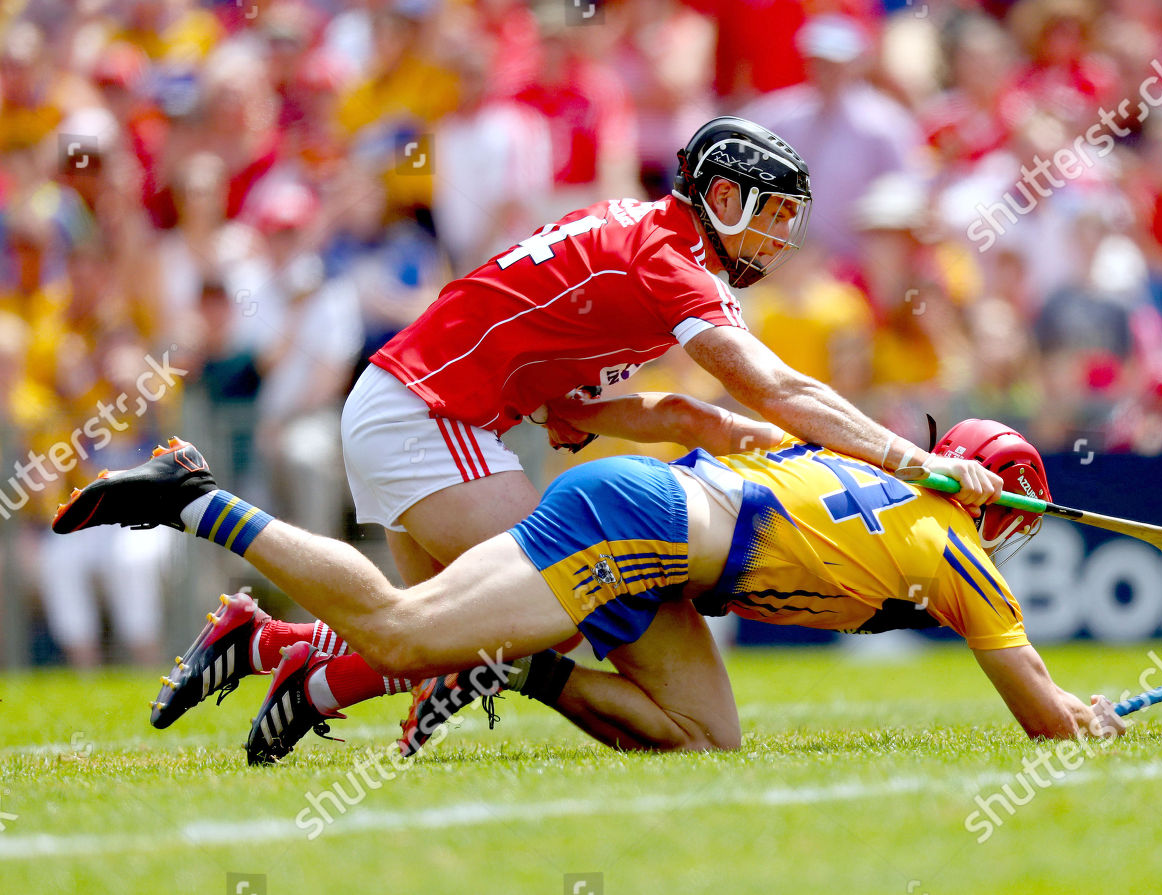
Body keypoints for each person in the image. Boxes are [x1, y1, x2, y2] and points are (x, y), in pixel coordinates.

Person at [118, 115, 1008, 742]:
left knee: (463, 630)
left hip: (424, 409)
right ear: (720, 195)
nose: (779, 238)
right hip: (431, 410)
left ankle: (269, 645)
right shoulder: (673, 260)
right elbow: (775, 385)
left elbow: (583, 413)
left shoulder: (646, 241)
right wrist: (907, 457)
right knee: (521, 610)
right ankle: (204, 512)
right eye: (767, 213)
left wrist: (720, 429)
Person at [52, 418, 1126, 764]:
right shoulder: (957, 545)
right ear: (1002, 506)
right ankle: (192, 501)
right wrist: (1099, 718)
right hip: (640, 526)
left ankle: (508, 661)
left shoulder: (882, 480)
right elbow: (1045, 722)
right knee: (406, 626)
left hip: (660, 527)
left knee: (705, 739)